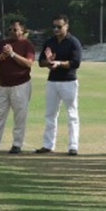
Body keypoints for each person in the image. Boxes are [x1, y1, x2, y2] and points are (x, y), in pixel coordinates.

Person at [0, 19, 37, 154]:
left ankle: (17, 144)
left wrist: (12, 54)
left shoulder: (27, 45)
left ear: (22, 31)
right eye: (10, 29)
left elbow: (28, 63)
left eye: (15, 29)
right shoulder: (3, 43)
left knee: (19, 115)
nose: (11, 32)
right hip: (3, 85)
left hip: (20, 84)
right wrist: (2, 56)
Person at [37, 15, 82, 155]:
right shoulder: (49, 41)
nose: (56, 29)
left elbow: (76, 63)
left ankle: (73, 146)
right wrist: (49, 62)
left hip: (68, 82)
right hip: (52, 82)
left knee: (72, 115)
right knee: (50, 114)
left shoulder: (73, 42)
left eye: (59, 26)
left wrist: (59, 63)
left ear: (66, 26)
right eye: (54, 27)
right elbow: (41, 62)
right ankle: (48, 145)